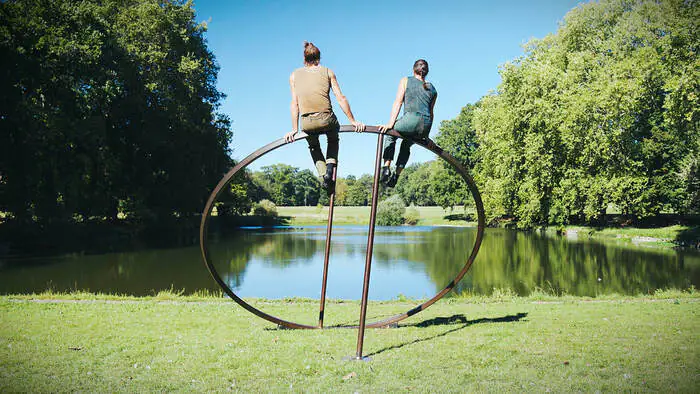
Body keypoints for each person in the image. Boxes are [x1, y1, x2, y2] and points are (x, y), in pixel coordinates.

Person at [285, 42, 365, 192]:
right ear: (319, 58)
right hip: (326, 118)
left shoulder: (294, 75)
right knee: (333, 138)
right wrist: (352, 121)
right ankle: (329, 169)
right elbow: (340, 98)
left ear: (304, 58)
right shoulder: (328, 72)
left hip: (307, 122)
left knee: (314, 146)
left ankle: (324, 176)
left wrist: (294, 129)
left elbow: (294, 103)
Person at [378, 59, 437, 187]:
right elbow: (431, 113)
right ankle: (396, 176)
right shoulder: (433, 89)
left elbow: (398, 102)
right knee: (406, 145)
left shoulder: (406, 80)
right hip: (424, 126)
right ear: (426, 72)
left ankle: (386, 168)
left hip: (411, 120)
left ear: (413, 69)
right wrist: (426, 135)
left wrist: (390, 123)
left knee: (391, 133)